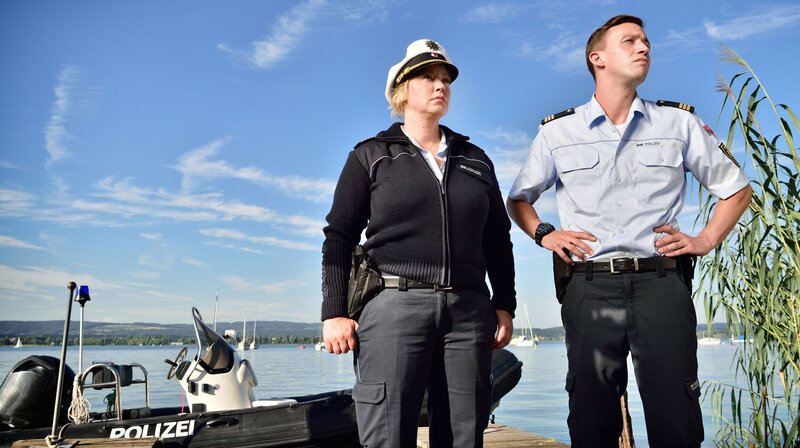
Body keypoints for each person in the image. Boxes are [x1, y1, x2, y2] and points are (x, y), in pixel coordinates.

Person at [507, 15, 752, 448]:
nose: (644, 48)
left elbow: (735, 190)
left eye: (646, 41)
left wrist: (704, 240)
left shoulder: (678, 124)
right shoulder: (557, 132)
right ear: (596, 58)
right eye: (630, 41)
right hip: (589, 288)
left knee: (676, 417)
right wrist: (545, 233)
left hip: (662, 285)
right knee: (590, 418)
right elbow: (519, 199)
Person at [321, 39, 516, 448]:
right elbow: (339, 236)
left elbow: (498, 237)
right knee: (388, 436)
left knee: (465, 435)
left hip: (467, 311)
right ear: (402, 89)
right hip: (393, 306)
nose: (439, 85)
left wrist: (505, 304)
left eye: (445, 78)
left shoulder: (476, 160)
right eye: (427, 76)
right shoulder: (371, 155)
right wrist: (334, 312)